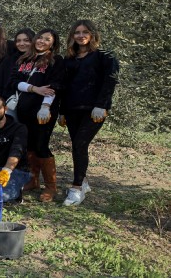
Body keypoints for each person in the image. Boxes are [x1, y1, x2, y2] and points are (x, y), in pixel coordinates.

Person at [59, 20, 119, 206]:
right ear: (72, 36)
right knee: (78, 147)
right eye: (77, 32)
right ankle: (82, 181)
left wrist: (102, 105)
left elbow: (110, 82)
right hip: (72, 109)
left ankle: (76, 188)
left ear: (93, 34)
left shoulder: (105, 57)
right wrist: (61, 111)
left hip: (94, 110)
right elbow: (64, 87)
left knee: (79, 144)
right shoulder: (69, 59)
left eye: (85, 32)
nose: (81, 35)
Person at [7, 29, 64, 202]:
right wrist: (33, 88)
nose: (42, 41)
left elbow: (56, 85)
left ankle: (50, 186)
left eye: (47, 39)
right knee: (29, 144)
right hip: (24, 109)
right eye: (40, 37)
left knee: (41, 145)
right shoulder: (25, 59)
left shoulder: (56, 61)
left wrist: (46, 105)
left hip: (43, 110)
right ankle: (32, 180)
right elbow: (13, 81)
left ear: (53, 43)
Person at [0, 28, 35, 101]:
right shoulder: (8, 60)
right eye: (18, 41)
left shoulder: (40, 60)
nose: (22, 44)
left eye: (26, 40)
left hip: (31, 102)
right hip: (9, 102)